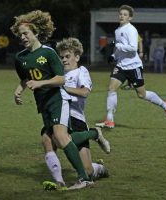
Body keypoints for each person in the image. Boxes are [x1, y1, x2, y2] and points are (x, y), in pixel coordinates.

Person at [10, 10, 94, 190]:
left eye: (26, 33)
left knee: (61, 137)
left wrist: (41, 83)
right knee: (47, 140)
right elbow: (25, 79)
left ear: (36, 33)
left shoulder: (48, 53)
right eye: (20, 34)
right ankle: (60, 182)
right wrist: (18, 91)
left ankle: (84, 178)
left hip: (57, 100)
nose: (23, 37)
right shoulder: (20, 58)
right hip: (43, 104)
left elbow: (61, 79)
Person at [42, 38, 110, 191]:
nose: (64, 59)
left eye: (67, 56)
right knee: (47, 139)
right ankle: (59, 182)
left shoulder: (81, 71)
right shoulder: (57, 74)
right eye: (62, 57)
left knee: (88, 171)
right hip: (59, 116)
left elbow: (85, 92)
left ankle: (97, 159)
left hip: (76, 118)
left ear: (77, 57)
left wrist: (64, 89)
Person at [95, 5, 166, 129]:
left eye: (125, 14)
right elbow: (120, 48)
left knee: (141, 94)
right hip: (121, 66)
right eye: (120, 14)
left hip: (134, 66)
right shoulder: (117, 31)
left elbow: (133, 48)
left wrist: (118, 46)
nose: (122, 16)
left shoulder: (131, 30)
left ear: (130, 17)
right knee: (111, 89)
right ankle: (109, 120)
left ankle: (165, 105)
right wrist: (114, 56)